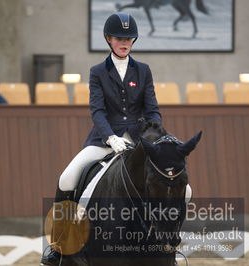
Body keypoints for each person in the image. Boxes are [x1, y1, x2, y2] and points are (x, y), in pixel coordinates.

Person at [40, 12, 162, 266]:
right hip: (104, 140)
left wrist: (154, 135)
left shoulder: (143, 70)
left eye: (129, 38)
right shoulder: (98, 72)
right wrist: (110, 137)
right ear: (109, 39)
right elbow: (97, 110)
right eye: (119, 37)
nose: (124, 42)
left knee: (175, 182)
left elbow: (152, 109)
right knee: (67, 177)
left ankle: (166, 236)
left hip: (139, 141)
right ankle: (59, 245)